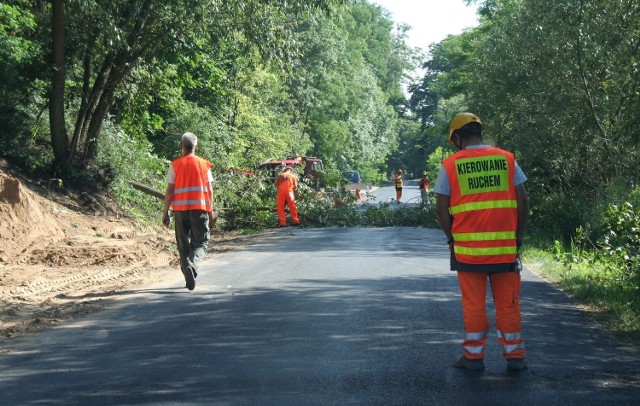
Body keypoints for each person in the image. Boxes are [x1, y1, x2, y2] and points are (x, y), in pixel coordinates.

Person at [434, 112, 529, 372]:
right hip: (505, 251)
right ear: (479, 131)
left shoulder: (451, 165)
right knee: (508, 304)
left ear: (457, 138)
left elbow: (441, 209)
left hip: (468, 253)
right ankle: (515, 357)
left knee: (474, 305)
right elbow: (523, 200)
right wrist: (518, 235)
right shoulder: (507, 159)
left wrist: (451, 238)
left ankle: (473, 358)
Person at [162, 132, 217, 291]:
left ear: (181, 146)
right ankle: (192, 267)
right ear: (196, 147)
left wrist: (165, 213)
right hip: (199, 209)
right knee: (200, 242)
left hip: (179, 211)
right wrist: (210, 211)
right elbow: (210, 190)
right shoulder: (204, 164)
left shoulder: (175, 165)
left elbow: (169, 191)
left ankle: (187, 271)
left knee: (183, 245)